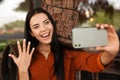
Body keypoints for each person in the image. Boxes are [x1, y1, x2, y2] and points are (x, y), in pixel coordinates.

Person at [8, 8, 119, 80]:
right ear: (31, 33)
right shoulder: (26, 57)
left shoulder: (68, 54)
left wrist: (111, 53)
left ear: (52, 25)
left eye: (46, 23)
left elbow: (94, 62)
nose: (43, 29)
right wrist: (23, 70)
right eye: (36, 27)